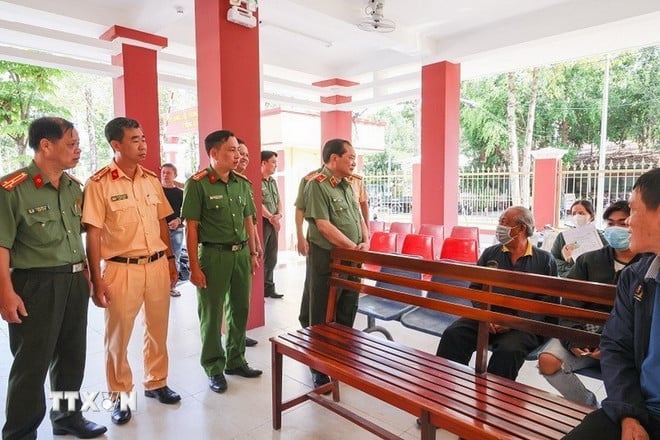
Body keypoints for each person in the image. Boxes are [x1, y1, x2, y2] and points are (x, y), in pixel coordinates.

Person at [0, 117, 107, 440]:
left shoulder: (75, 188)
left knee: (72, 356)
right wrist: (5, 293)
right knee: (31, 364)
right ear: (46, 145)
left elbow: (84, 238)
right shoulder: (12, 189)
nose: (77, 150)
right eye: (71, 144)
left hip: (74, 280)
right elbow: (1, 245)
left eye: (78, 144)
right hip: (35, 284)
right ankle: (20, 432)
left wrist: (94, 279)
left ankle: (67, 418)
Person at [82, 117, 181, 426]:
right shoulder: (98, 183)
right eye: (135, 140)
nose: (143, 145)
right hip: (120, 268)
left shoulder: (151, 180)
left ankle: (157, 382)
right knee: (118, 337)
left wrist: (169, 260)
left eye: (144, 138)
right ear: (116, 145)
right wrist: (96, 281)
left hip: (155, 266)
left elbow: (163, 222)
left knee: (158, 329)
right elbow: (93, 235)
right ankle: (120, 396)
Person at [564, 168, 660, 440]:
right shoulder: (638, 277)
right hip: (640, 409)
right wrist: (628, 415)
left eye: (633, 211)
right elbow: (616, 345)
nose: (628, 222)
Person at [538, 201, 647, 407]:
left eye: (623, 224)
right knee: (548, 361)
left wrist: (610, 345)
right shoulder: (589, 260)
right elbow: (570, 303)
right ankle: (588, 404)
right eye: (611, 223)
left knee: (627, 373)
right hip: (585, 333)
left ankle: (621, 412)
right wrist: (574, 338)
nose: (616, 229)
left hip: (624, 341)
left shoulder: (648, 264)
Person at [181, 130, 262, 395]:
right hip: (213, 255)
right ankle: (214, 367)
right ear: (214, 153)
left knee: (240, 309)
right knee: (212, 313)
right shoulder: (198, 183)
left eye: (238, 149)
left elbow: (249, 219)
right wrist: (193, 267)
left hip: (240, 254)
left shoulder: (241, 182)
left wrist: (253, 252)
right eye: (231, 149)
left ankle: (236, 360)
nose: (237, 154)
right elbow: (190, 229)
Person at [436, 206, 558, 380]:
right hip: (488, 316)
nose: (499, 227)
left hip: (523, 324)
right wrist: (487, 315)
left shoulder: (544, 260)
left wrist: (512, 322)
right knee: (454, 334)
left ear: (521, 228)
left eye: (504, 222)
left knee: (509, 350)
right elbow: (475, 288)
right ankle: (446, 385)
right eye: (499, 222)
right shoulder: (490, 253)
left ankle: (493, 399)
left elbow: (547, 303)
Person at [303, 138, 369, 387]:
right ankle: (318, 364)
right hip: (329, 257)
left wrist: (366, 240)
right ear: (333, 158)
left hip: (352, 257)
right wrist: (353, 248)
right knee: (322, 309)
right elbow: (323, 225)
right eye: (349, 156)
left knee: (348, 305)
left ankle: (341, 355)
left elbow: (358, 216)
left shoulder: (346, 185)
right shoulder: (317, 185)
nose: (353, 161)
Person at [233, 139, 260, 347]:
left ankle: (239, 337)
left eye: (247, 155)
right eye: (239, 152)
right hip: (220, 251)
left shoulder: (245, 184)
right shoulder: (205, 183)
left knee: (242, 301)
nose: (243, 158)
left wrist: (255, 246)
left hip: (244, 248)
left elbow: (250, 219)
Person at [551, 199, 607, 277]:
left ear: (591, 216)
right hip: (569, 280)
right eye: (574, 214)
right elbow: (553, 259)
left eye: (581, 213)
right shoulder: (563, 236)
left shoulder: (601, 237)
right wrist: (568, 262)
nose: (577, 216)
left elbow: (606, 263)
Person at [260, 150, 284, 299]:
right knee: (261, 255)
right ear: (263, 163)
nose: (276, 165)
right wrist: (270, 217)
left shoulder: (272, 182)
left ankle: (269, 287)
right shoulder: (256, 181)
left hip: (273, 223)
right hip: (263, 223)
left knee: (272, 256)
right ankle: (259, 289)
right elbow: (258, 203)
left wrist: (279, 215)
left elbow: (278, 201)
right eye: (273, 162)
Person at [161, 163, 184, 297]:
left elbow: (187, 211)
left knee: (175, 257)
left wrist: (179, 220)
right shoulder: (156, 191)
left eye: (168, 173)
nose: (165, 175)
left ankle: (171, 286)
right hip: (158, 231)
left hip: (176, 230)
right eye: (163, 172)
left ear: (175, 175)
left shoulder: (180, 193)